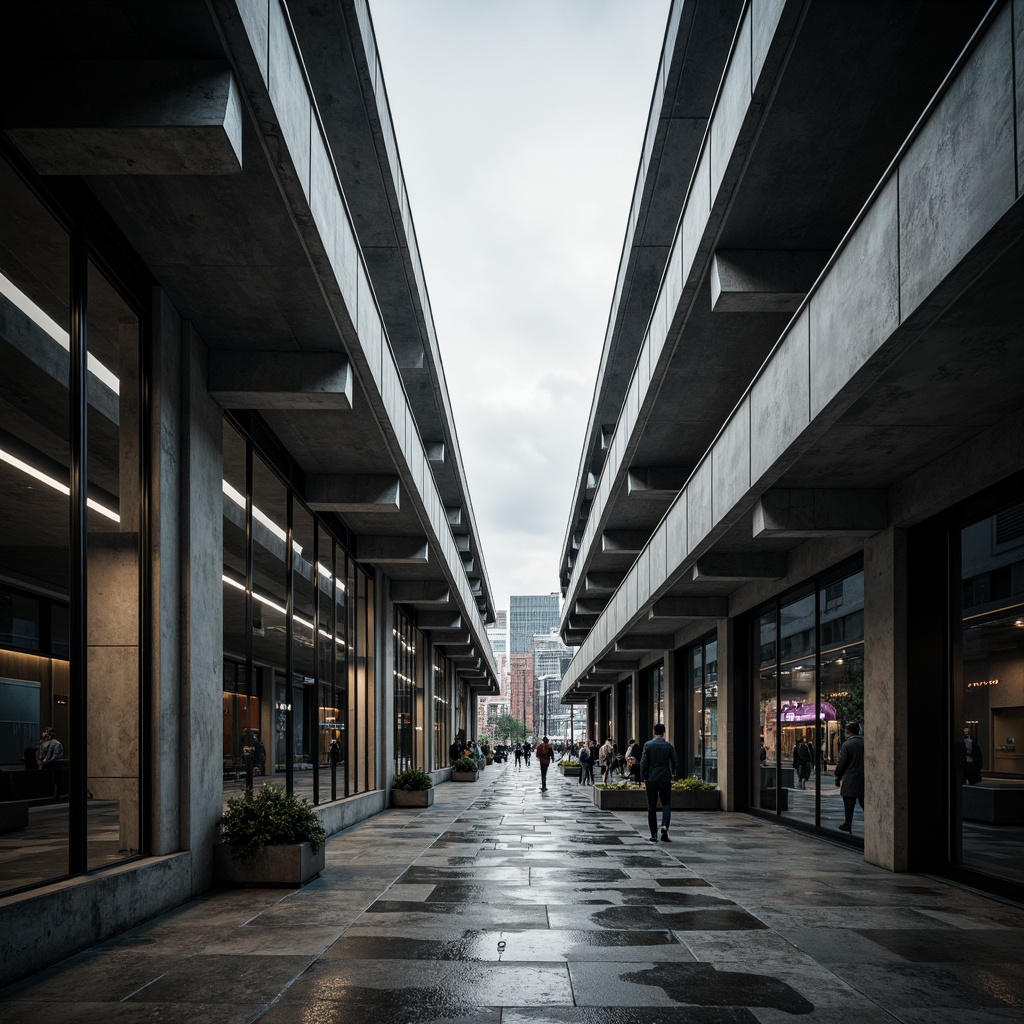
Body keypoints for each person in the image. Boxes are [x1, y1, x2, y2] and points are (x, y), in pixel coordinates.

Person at [640, 723, 678, 842]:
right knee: (666, 804)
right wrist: (672, 774)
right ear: (664, 733)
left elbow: (643, 762)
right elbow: (675, 762)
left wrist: (643, 777)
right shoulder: (668, 746)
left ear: (654, 732)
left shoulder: (648, 745)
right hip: (665, 779)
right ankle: (665, 827)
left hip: (651, 779)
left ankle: (653, 835)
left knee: (652, 806)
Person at [834, 722, 865, 833]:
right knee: (864, 803)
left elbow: (842, 763)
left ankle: (848, 823)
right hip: (864, 778)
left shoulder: (847, 745)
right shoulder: (865, 743)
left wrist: (838, 776)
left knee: (849, 803)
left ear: (848, 731)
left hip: (850, 779)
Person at [36, 727, 64, 799]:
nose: (46, 733)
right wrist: (40, 761)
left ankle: (55, 797)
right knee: (46, 782)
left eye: (48, 731)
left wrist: (47, 761)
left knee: (55, 781)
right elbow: (39, 752)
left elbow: (56, 755)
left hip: (53, 765)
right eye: (46, 731)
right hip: (44, 765)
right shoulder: (42, 742)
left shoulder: (56, 743)